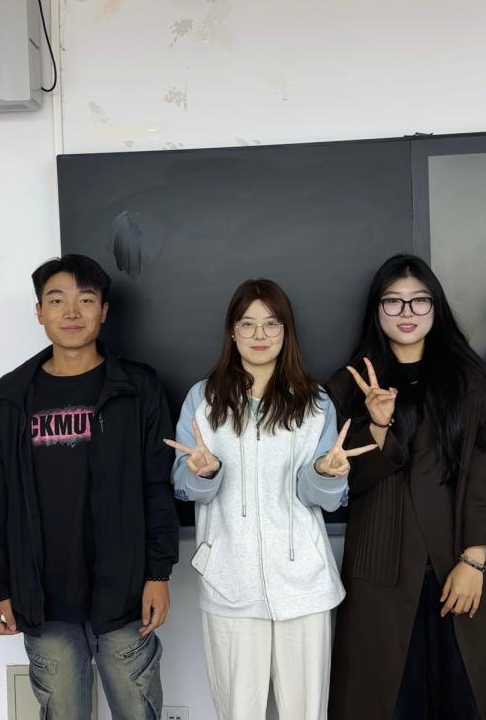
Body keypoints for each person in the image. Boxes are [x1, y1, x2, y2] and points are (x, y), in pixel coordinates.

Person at [0, 254, 179, 720]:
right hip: (43, 598)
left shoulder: (138, 389)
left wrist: (158, 574)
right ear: (39, 311)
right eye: (56, 300)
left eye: (85, 300)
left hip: (125, 591)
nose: (71, 312)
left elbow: (157, 484)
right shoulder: (8, 398)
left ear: (104, 311)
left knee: (137, 712)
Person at [170, 279, 369, 720]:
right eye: (248, 324)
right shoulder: (203, 399)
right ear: (232, 331)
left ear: (286, 330)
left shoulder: (315, 402)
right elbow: (183, 486)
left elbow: (325, 500)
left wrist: (326, 474)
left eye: (271, 324)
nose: (259, 335)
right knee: (239, 712)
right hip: (230, 583)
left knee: (306, 712)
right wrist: (204, 472)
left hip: (304, 585)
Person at [328, 253, 486, 720]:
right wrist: (377, 425)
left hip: (457, 559)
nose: (406, 312)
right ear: (376, 309)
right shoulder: (348, 387)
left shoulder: (472, 383)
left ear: (436, 307)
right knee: (387, 700)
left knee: (466, 696)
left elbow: (485, 476)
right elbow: (346, 484)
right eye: (393, 301)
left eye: (419, 301)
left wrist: (475, 559)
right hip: (381, 566)